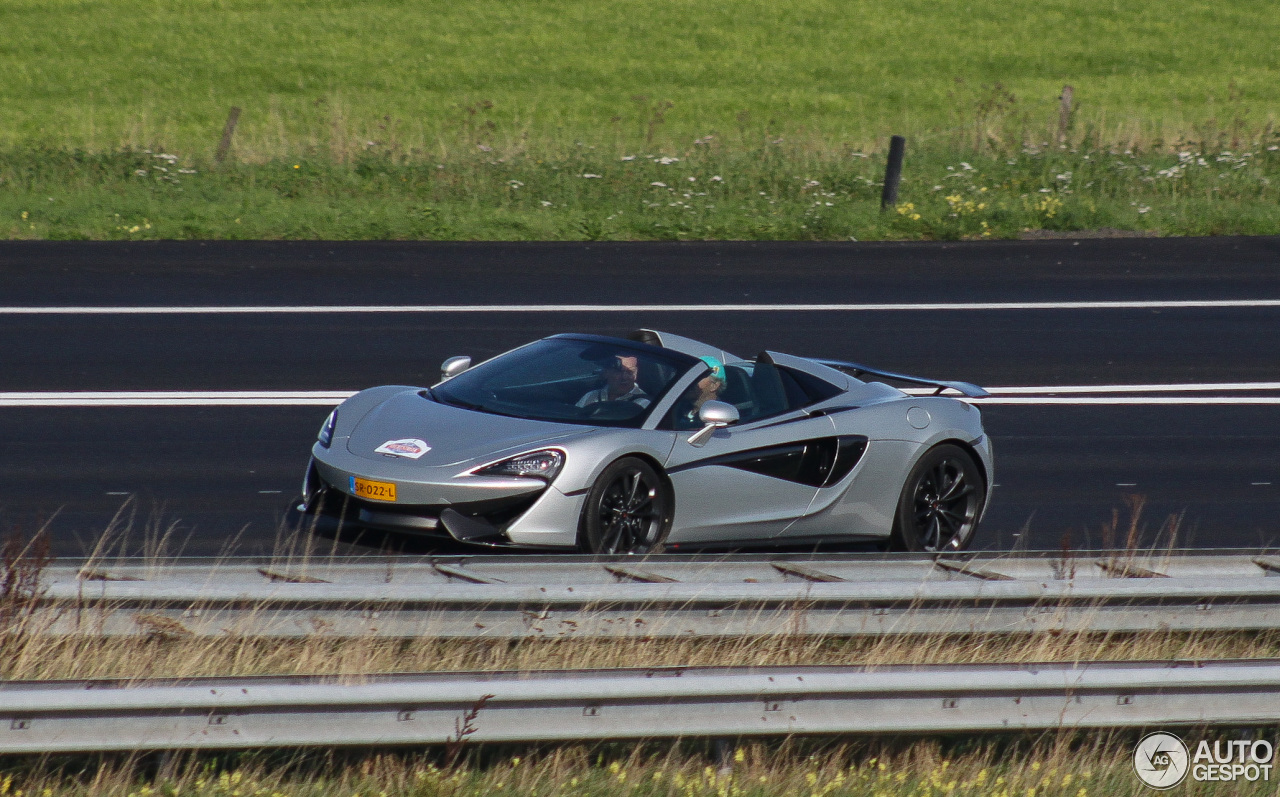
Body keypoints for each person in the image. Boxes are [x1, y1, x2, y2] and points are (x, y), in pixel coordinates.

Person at [577, 354, 651, 408]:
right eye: (618, 372)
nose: (624, 377)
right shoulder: (591, 396)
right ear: (606, 373)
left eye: (630, 372)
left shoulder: (643, 404)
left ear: (636, 374)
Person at [671, 356, 726, 428]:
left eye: (699, 377)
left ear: (714, 386)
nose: (691, 381)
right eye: (690, 376)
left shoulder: (719, 415)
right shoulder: (677, 406)